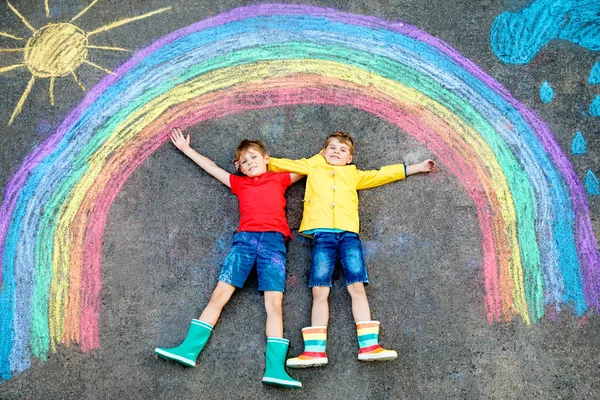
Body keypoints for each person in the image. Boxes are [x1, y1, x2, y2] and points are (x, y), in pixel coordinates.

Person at [268, 131, 436, 368]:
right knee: (319, 291)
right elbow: (286, 164)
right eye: (332, 148)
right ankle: (315, 351)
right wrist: (266, 161)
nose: (336, 152)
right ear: (323, 152)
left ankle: (370, 346)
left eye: (342, 150)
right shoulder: (313, 167)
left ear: (349, 158)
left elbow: (381, 175)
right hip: (322, 235)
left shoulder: (354, 175)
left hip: (349, 236)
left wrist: (415, 167)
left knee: (356, 286)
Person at [154, 128, 303, 389]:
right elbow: (211, 168)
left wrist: (327, 155)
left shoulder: (279, 179)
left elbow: (310, 167)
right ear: (239, 168)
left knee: (274, 305)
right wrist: (187, 150)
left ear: (266, 158)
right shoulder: (239, 182)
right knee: (219, 295)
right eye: (244, 162)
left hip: (273, 244)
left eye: (255, 157)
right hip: (244, 243)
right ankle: (188, 350)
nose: (250, 163)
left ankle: (276, 369)